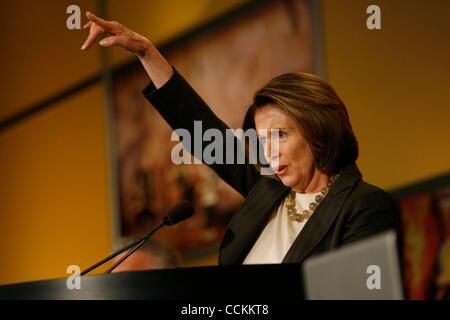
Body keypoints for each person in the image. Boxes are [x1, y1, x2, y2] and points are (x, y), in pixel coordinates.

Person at [81, 12, 399, 265]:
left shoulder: (365, 206)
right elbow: (202, 131)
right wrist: (147, 52)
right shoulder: (268, 189)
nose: (269, 152)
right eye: (262, 140)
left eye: (280, 135)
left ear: (319, 130)